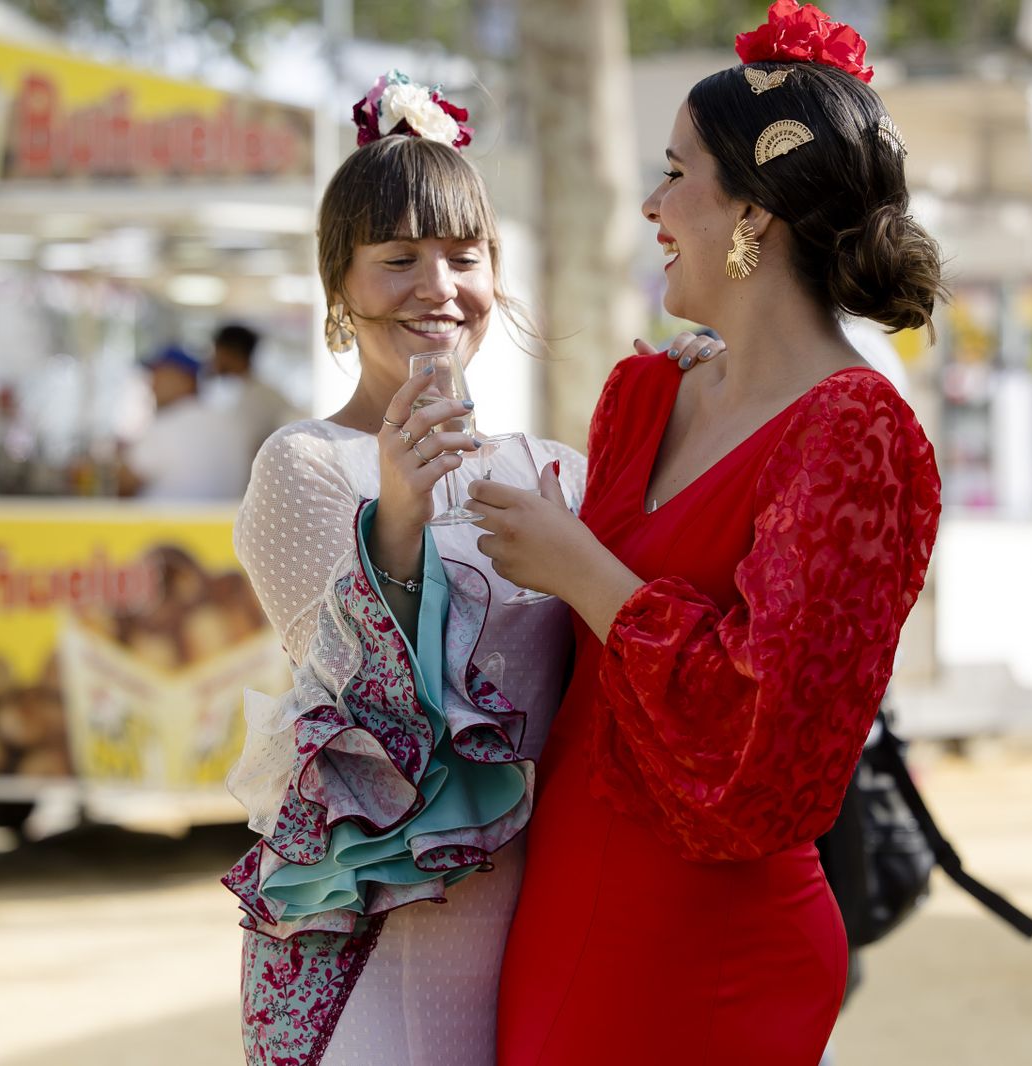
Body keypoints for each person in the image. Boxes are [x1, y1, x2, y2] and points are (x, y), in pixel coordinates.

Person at [220, 71, 723, 1066]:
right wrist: (399, 516)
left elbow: (647, 632)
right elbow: (361, 719)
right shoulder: (305, 465)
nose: (437, 287)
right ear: (339, 286)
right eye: (397, 258)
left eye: (464, 256)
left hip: (549, 932)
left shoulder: (550, 473)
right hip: (371, 940)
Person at [479, 6, 943, 1063]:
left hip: (708, 940)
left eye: (674, 173)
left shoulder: (857, 433)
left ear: (755, 213)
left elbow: (760, 751)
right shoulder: (645, 396)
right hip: (561, 896)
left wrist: (578, 568)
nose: (651, 203)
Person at [119, 344, 250, 500]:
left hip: (165, 523)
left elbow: (123, 483)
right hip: (222, 523)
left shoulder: (168, 426)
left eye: (159, 375)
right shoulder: (231, 424)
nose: (152, 386)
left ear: (185, 380)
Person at [208, 321, 297, 461]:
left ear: (229, 353)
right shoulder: (216, 389)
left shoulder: (266, 397)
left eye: (215, 351)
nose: (212, 359)